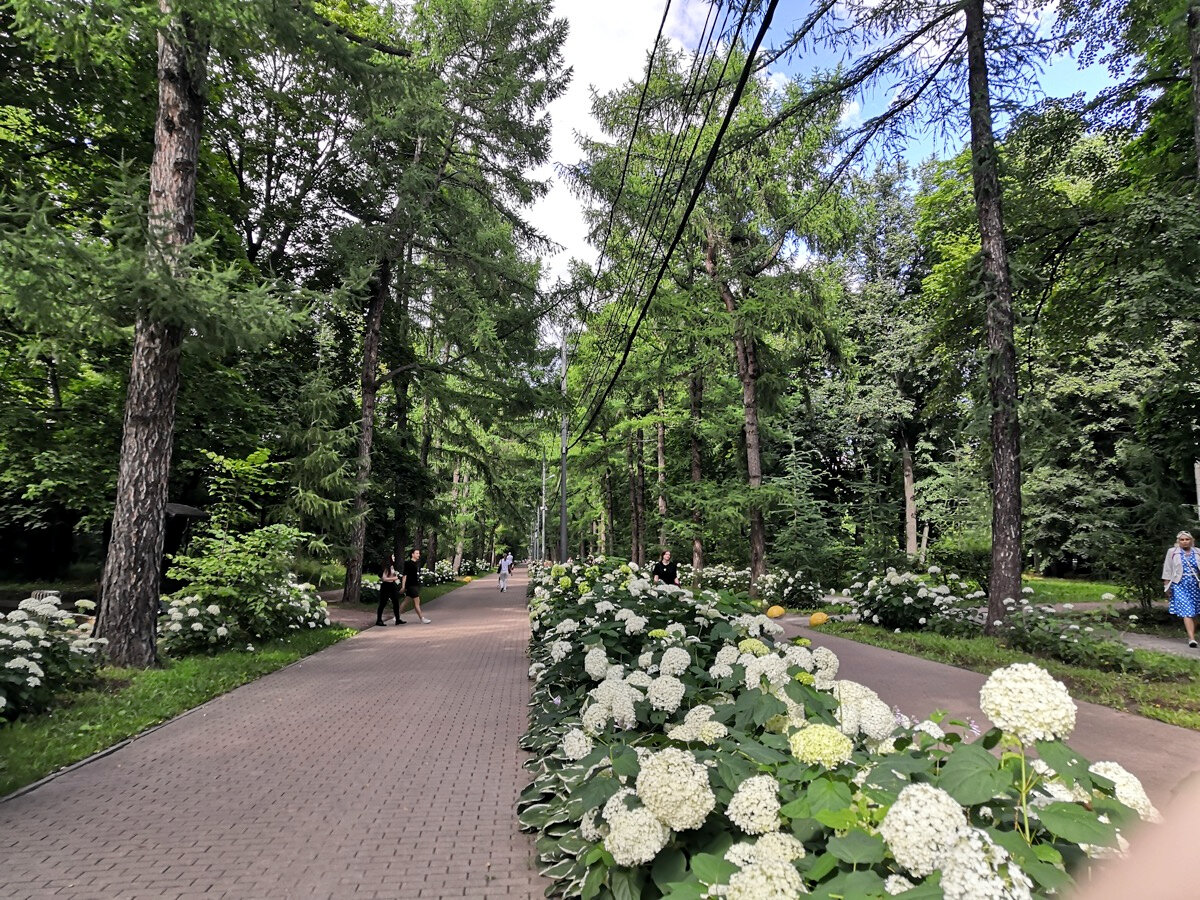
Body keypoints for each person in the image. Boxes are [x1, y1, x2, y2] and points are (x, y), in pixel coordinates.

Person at [1162, 531, 1200, 648]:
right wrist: (1166, 586)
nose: (1184, 542)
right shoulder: (1172, 552)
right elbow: (1167, 568)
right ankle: (1191, 639)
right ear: (1178, 541)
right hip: (1179, 584)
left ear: (1191, 540)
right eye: (1182, 540)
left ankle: (1194, 629)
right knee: (1187, 610)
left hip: (1195, 584)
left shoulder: (1198, 552)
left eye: (1187, 539)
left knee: (1194, 612)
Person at [398, 548, 431, 624]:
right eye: (417, 553)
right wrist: (403, 587)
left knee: (406, 601)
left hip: (414, 585)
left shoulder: (415, 564)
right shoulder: (408, 563)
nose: (418, 555)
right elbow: (404, 575)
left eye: (418, 553)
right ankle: (422, 618)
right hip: (411, 586)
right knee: (417, 603)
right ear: (412, 554)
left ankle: (397, 616)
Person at [375, 553, 405, 626]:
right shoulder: (386, 567)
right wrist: (394, 578)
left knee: (396, 602)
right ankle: (379, 620)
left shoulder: (391, 566)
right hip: (386, 586)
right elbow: (384, 578)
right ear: (389, 558)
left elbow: (392, 575)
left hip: (392, 585)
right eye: (393, 556)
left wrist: (394, 577)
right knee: (383, 603)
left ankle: (397, 619)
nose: (394, 557)